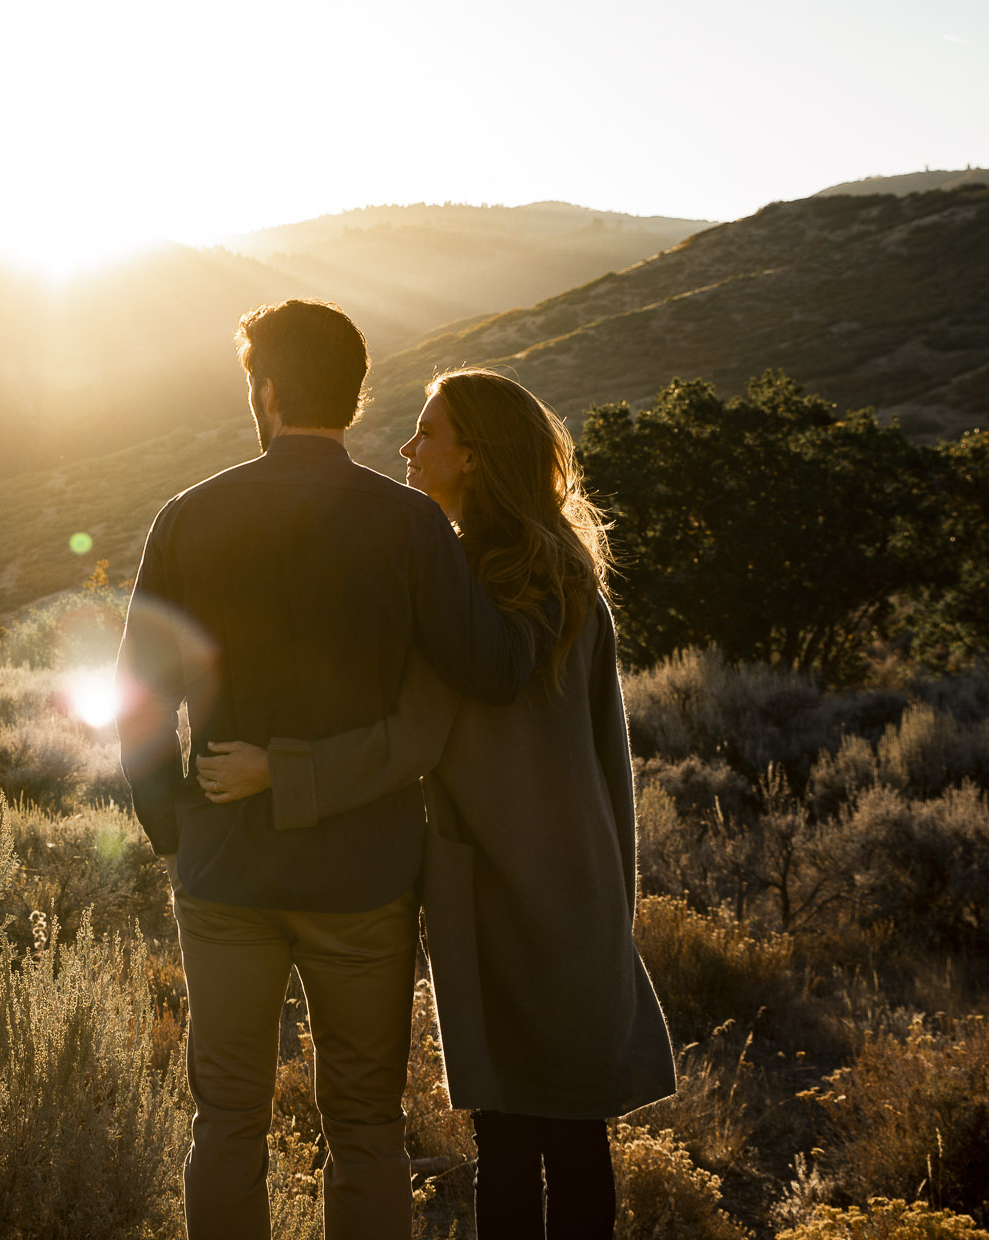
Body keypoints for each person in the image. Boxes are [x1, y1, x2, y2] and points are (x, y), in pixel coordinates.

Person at [195, 368, 677, 1240]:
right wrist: (619, 901)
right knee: (576, 1138)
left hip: (495, 891)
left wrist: (278, 771)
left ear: (475, 457)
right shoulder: (572, 581)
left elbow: (409, 741)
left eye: (428, 434)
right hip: (579, 888)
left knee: (510, 1141)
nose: (408, 448)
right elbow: (615, 764)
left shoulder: (462, 588)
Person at [116, 302, 539, 1240]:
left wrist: (174, 823)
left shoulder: (188, 516)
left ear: (266, 391)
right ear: (353, 397)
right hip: (365, 877)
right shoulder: (412, 525)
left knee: (227, 1121)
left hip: (226, 871)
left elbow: (137, 696)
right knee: (366, 1125)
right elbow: (494, 671)